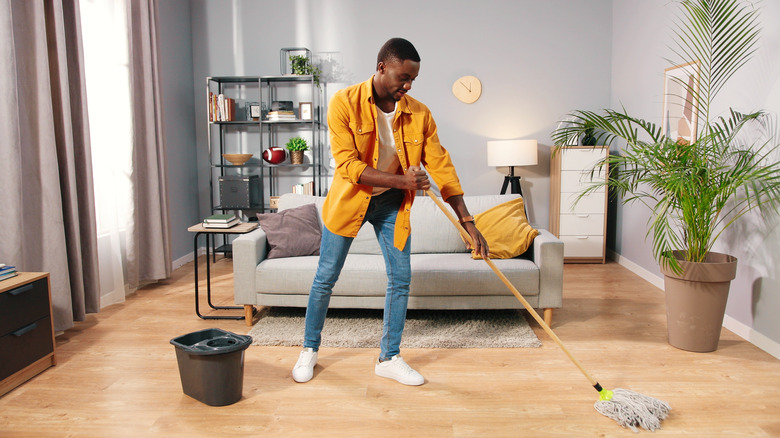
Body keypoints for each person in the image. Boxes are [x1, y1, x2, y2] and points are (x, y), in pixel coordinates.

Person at [292, 37, 489, 386]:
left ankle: (389, 357)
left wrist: (467, 222)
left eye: (413, 79)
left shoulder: (419, 113)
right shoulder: (344, 102)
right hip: (351, 199)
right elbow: (349, 166)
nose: (407, 85)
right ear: (382, 67)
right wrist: (404, 181)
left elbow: (443, 167)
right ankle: (309, 349)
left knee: (400, 278)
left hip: (391, 206)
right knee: (325, 277)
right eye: (403, 77)